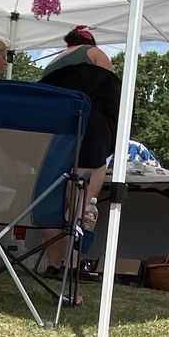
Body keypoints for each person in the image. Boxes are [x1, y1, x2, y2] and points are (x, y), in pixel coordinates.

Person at [37, 25, 120, 275]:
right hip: (89, 129)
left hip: (52, 132)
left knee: (52, 201)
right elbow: (111, 93)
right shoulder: (95, 54)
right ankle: (72, 265)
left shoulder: (52, 63)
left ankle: (54, 263)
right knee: (82, 202)